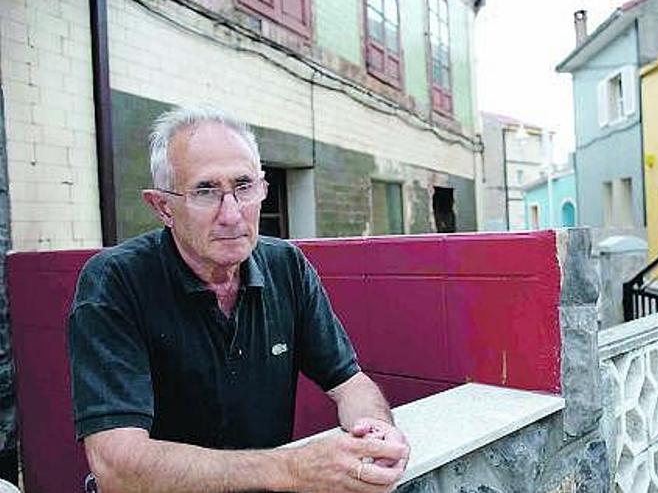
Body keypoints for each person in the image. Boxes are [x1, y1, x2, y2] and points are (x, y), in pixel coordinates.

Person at [68, 104, 409, 492]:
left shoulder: (287, 265)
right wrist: (292, 469)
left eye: (244, 186)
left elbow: (349, 382)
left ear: (263, 188)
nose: (232, 214)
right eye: (205, 191)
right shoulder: (115, 281)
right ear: (163, 206)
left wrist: (376, 431)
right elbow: (117, 466)